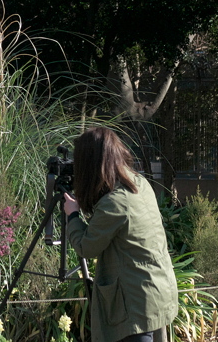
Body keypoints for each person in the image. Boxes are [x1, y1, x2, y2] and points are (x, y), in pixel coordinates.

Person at [62, 127, 177, 342]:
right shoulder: (138, 183)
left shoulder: (114, 203)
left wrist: (73, 215)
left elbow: (86, 247)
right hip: (156, 290)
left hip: (135, 302)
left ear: (90, 163)